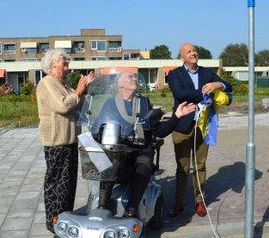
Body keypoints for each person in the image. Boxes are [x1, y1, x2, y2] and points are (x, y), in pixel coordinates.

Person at [92, 70, 196, 217]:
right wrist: (97, 133)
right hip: (118, 148)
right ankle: (103, 206)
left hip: (140, 148)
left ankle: (131, 209)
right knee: (107, 160)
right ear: (120, 83)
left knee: (144, 162)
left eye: (135, 76)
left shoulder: (143, 102)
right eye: (130, 76)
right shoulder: (110, 103)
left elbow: (159, 131)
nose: (134, 78)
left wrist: (176, 116)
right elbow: (97, 127)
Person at [168, 43, 233, 217]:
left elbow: (229, 86)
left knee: (200, 166)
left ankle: (200, 201)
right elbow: (180, 94)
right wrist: (207, 95)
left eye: (194, 51)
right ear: (182, 57)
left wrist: (217, 84)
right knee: (182, 167)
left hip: (202, 127)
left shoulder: (207, 73)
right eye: (189, 51)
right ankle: (179, 202)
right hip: (182, 127)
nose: (193, 53)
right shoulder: (174, 74)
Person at [36, 49, 95, 233]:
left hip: (69, 140)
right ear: (53, 63)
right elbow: (62, 105)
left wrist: (84, 90)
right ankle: (54, 221)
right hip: (56, 142)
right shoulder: (47, 83)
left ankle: (65, 216)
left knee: (69, 183)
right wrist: (78, 91)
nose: (67, 62)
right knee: (56, 183)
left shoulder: (64, 84)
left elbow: (76, 104)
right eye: (64, 60)